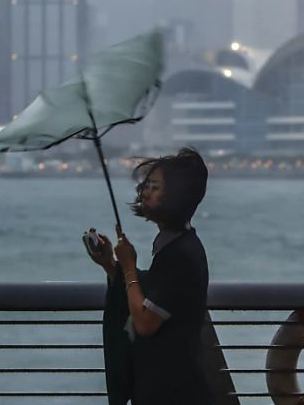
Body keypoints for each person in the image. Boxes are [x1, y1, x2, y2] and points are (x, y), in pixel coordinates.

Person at [87, 147, 213, 404]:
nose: (144, 191)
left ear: (176, 196)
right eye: (146, 185)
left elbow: (145, 321)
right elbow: (151, 291)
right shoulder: (176, 247)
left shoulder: (181, 256)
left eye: (154, 187)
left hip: (174, 391)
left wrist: (129, 266)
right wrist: (111, 265)